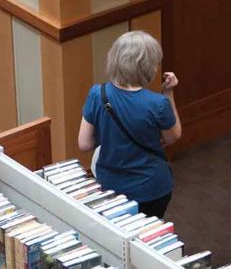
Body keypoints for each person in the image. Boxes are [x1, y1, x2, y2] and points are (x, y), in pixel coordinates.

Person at [77, 30, 182, 219]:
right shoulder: (158, 103)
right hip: (151, 189)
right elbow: (172, 137)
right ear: (147, 67)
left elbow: (84, 144)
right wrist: (169, 93)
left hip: (110, 186)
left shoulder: (97, 94)